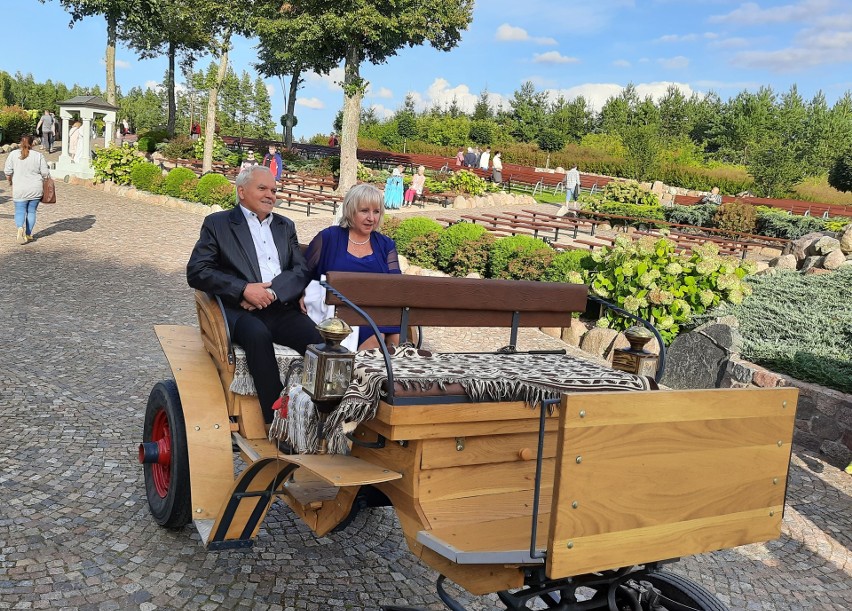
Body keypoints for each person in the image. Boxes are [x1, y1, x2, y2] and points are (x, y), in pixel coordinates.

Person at [186, 165, 321, 423]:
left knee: (318, 342)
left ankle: (319, 415)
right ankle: (275, 421)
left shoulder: (285, 225)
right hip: (239, 309)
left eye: (274, 190)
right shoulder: (219, 224)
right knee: (258, 335)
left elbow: (300, 270)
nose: (271, 195)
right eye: (263, 188)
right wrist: (243, 290)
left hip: (280, 306)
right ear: (241, 191)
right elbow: (197, 271)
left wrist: (272, 292)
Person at [304, 184, 401, 350]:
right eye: (364, 211)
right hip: (336, 312)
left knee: (394, 336)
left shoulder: (386, 245)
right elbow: (303, 272)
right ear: (350, 210)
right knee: (375, 337)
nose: (371, 218)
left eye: (376, 211)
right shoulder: (329, 237)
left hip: (376, 311)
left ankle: (382, 375)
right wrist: (300, 292)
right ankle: (362, 375)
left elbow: (397, 285)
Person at [4, 135, 51, 244]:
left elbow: (7, 172)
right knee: (31, 211)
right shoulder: (38, 156)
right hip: (35, 188)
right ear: (33, 143)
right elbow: (45, 173)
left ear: (20, 142)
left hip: (19, 188)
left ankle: (20, 228)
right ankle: (28, 234)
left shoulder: (13, 154)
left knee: (20, 210)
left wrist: (10, 180)